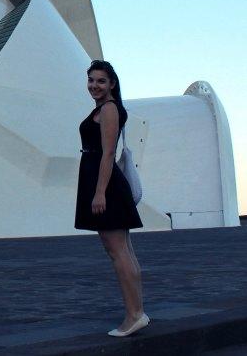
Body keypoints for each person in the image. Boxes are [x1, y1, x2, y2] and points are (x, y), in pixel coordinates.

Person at [74, 59, 149, 337]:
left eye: (101, 81)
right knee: (123, 251)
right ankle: (137, 311)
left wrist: (99, 193)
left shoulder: (108, 109)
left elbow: (107, 153)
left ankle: (134, 315)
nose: (94, 85)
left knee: (118, 252)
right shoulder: (104, 108)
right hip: (103, 182)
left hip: (104, 184)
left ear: (112, 84)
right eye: (91, 80)